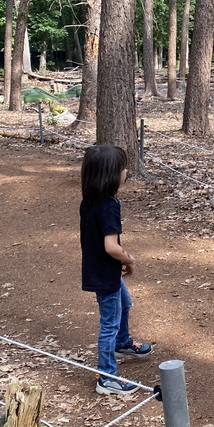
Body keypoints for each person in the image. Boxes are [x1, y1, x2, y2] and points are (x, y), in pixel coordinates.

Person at [80, 144, 152, 395]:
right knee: (108, 324)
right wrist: (128, 259)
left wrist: (118, 262)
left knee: (126, 302)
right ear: (111, 175)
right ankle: (107, 376)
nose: (126, 171)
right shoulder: (110, 205)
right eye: (123, 168)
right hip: (104, 275)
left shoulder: (89, 202)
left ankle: (122, 343)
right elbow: (111, 246)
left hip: (101, 270)